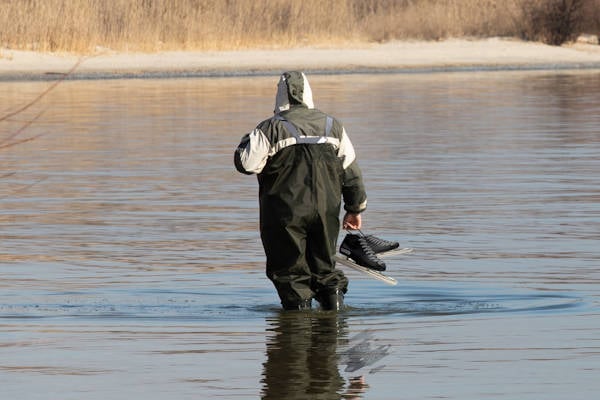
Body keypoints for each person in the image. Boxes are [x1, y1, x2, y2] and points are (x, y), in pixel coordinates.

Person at [234, 71, 367, 311]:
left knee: (290, 273)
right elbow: (351, 171)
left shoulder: (269, 129)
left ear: (279, 95)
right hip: (326, 212)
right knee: (325, 269)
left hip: (286, 214)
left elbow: (245, 164)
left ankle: (296, 332)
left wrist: (248, 138)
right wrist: (355, 208)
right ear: (309, 92)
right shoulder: (332, 126)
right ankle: (333, 323)